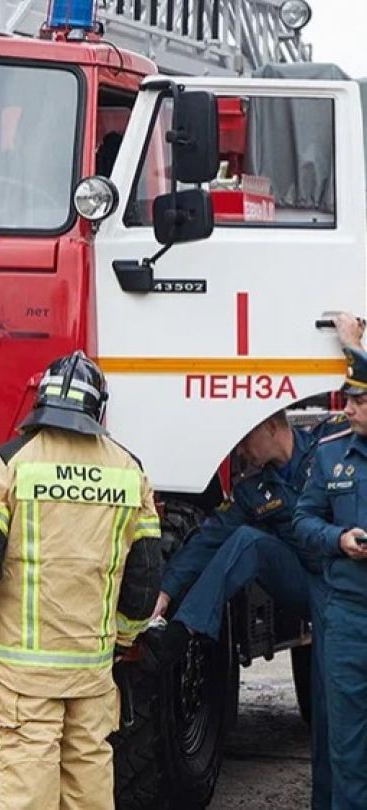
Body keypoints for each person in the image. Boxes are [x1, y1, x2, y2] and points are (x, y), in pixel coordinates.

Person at [151, 311, 364, 810]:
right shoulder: (253, 488)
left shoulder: (330, 444)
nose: (240, 450)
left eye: (246, 438)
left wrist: (353, 347)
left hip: (346, 588)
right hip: (309, 583)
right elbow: (209, 540)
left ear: (272, 426)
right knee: (246, 540)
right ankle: (184, 632)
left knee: (333, 723)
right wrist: (167, 589)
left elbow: (361, 398)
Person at [0, 350, 161, 810]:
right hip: (91, 664)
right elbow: (144, 571)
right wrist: (124, 634)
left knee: (28, 776)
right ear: (98, 408)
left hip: (23, 670)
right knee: (88, 774)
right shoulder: (128, 469)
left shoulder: (10, 461)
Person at [294, 344, 367, 810]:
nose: (350, 409)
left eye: (360, 401)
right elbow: (302, 521)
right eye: (349, 400)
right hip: (349, 619)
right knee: (347, 751)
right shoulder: (330, 453)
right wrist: (338, 538)